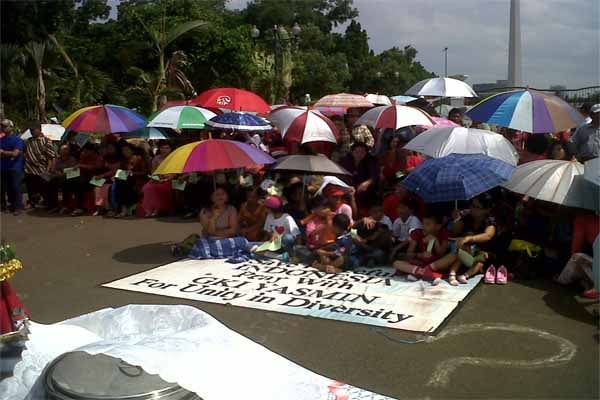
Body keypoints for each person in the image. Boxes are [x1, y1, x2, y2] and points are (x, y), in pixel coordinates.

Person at [447, 195, 500, 286]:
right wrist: (456, 220)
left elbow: (488, 235)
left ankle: (465, 275)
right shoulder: (467, 215)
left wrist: (470, 238)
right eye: (472, 205)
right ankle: (451, 273)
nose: (473, 209)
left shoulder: (490, 220)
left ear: (486, 210)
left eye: (477, 207)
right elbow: (455, 231)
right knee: (460, 250)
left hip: (483, 252)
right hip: (467, 250)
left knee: (480, 262)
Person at [393, 214, 449, 285]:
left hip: (434, 264)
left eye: (428, 224)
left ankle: (418, 273)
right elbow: (409, 254)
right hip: (419, 262)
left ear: (438, 226)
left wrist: (436, 241)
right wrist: (420, 255)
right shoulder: (417, 233)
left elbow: (442, 254)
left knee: (446, 261)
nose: (424, 227)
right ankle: (431, 275)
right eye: (423, 224)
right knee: (396, 263)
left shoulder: (443, 233)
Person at [23, 122, 56, 208]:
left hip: (42, 168)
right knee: (30, 187)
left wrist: (48, 169)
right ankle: (32, 202)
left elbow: (51, 156)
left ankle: (48, 203)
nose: (32, 131)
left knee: (45, 187)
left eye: (34, 129)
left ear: (39, 129)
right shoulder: (28, 141)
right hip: (29, 168)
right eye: (31, 130)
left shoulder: (46, 141)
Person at [340, 142, 379, 214]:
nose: (359, 154)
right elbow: (342, 174)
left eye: (362, 152)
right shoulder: (346, 160)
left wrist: (367, 183)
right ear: (352, 152)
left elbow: (375, 175)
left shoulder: (371, 160)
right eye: (357, 152)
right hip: (349, 186)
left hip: (365, 189)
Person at [111, 144, 149, 218]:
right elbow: (121, 171)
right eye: (123, 150)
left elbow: (145, 172)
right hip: (125, 179)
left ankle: (124, 209)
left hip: (137, 179)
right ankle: (121, 209)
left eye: (127, 150)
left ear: (132, 151)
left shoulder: (139, 159)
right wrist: (116, 176)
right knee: (118, 183)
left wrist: (132, 173)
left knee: (123, 185)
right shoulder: (124, 161)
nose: (125, 152)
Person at [142, 140, 175, 217]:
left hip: (169, 179)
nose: (164, 150)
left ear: (170, 149)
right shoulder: (156, 158)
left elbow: (176, 172)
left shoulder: (174, 158)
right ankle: (149, 210)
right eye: (162, 148)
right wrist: (155, 178)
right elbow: (153, 171)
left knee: (159, 188)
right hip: (158, 178)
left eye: (167, 148)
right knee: (147, 187)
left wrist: (167, 178)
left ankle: (157, 209)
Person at [45, 144, 78, 214]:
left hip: (69, 177)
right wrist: (57, 172)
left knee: (66, 184)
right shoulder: (57, 159)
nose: (64, 151)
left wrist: (63, 173)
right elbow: (53, 169)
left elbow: (73, 170)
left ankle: (66, 206)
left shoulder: (72, 159)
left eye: (66, 149)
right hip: (58, 177)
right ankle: (53, 205)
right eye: (63, 150)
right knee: (50, 183)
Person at [0, 119, 24, 215]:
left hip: (15, 167)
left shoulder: (17, 139)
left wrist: (3, 152)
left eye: (5, 126)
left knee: (15, 187)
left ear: (11, 127)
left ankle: (18, 207)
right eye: (2, 126)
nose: (3, 128)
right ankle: (10, 205)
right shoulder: (1, 140)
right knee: (6, 188)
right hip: (3, 167)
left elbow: (15, 153)